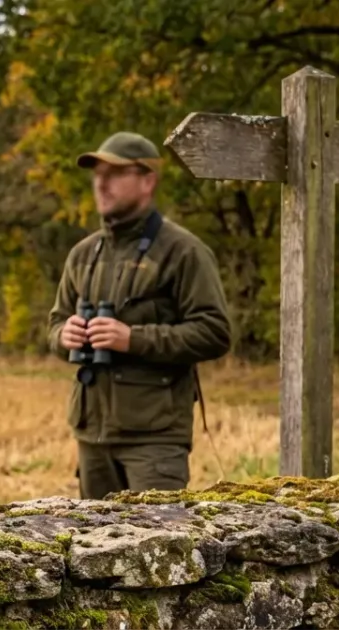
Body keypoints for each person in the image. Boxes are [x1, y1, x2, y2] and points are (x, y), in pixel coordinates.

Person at [45, 131, 232, 500]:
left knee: (159, 546)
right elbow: (53, 324)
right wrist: (63, 335)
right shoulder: (83, 254)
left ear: (147, 180)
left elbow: (215, 332)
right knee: (94, 549)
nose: (101, 182)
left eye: (114, 173)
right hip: (92, 436)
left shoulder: (183, 251)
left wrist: (132, 339)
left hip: (154, 440)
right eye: (97, 174)